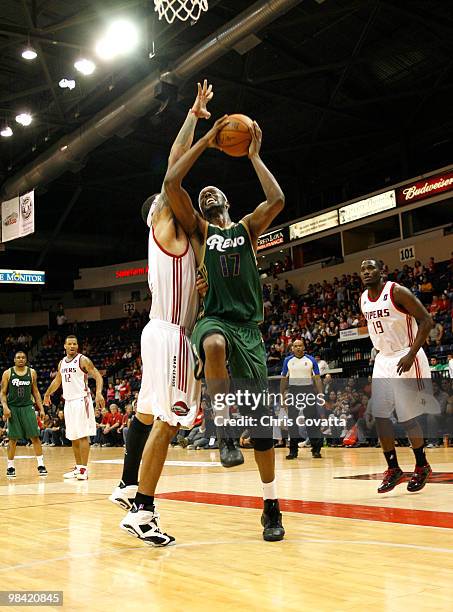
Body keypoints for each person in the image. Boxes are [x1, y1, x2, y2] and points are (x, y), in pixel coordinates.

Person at [163, 115, 285, 541]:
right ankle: (224, 427)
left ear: (227, 199)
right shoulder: (199, 232)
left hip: (248, 330)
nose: (207, 192)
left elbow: (277, 199)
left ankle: (271, 505)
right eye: (203, 195)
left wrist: (252, 154)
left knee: (266, 432)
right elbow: (172, 185)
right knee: (211, 342)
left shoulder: (247, 228)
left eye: (213, 190)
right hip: (213, 320)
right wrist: (207, 141)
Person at [115, 81, 213, 546]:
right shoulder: (165, 221)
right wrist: (195, 119)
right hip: (169, 334)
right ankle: (142, 510)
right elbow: (173, 170)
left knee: (159, 420)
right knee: (169, 424)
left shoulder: (192, 240)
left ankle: (132, 491)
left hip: (166, 332)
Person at [360, 259, 438, 494]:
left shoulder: (397, 292)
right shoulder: (363, 299)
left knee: (406, 417)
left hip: (406, 353)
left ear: (382, 271)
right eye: (362, 270)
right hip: (383, 358)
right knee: (379, 415)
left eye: (370, 268)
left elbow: (427, 320)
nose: (366, 272)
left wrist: (411, 353)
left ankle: (422, 465)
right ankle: (393, 469)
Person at [43, 335, 104, 480]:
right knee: (73, 437)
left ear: (77, 346)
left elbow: (98, 376)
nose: (72, 346)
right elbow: (58, 381)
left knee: (82, 435)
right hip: (69, 402)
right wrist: (47, 394)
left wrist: (99, 393)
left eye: (75, 344)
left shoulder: (82, 360)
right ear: (64, 346)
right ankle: (78, 468)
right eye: (69, 344)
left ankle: (84, 469)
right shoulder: (62, 363)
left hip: (81, 400)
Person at [0, 351, 47, 478]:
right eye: (18, 357)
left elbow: (36, 392)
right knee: (13, 439)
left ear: (26, 359)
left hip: (27, 407)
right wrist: (5, 407)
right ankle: (10, 466)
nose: (20, 359)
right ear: (14, 360)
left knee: (35, 437)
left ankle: (41, 464)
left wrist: (41, 409)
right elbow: (3, 392)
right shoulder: (8, 373)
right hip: (13, 408)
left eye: (23, 357)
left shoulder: (31, 373)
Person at [280, 340, 324, 459]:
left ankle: (316, 449)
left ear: (304, 347)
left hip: (308, 390)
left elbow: (318, 379)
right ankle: (293, 451)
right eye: (295, 346)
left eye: (300, 345)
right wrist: (281, 394)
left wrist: (320, 394)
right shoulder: (287, 361)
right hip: (293, 391)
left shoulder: (311, 360)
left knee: (311, 421)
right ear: (292, 348)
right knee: (292, 422)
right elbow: (284, 378)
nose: (298, 348)